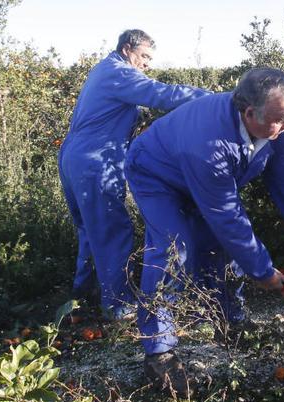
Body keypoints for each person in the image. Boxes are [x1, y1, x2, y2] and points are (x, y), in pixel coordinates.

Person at [124, 68, 284, 397]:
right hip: (157, 174)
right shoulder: (208, 143)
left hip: (198, 176)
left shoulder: (276, 126)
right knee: (173, 248)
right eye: (281, 119)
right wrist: (262, 271)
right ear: (250, 113)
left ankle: (231, 322)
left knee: (219, 247)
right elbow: (227, 216)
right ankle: (159, 353)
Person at [58, 29, 211, 321]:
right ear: (128, 49)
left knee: (90, 231)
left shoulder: (103, 70)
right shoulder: (118, 71)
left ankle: (82, 296)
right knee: (112, 230)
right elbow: (161, 94)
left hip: (74, 157)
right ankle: (118, 306)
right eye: (144, 56)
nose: (147, 63)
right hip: (95, 160)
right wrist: (214, 98)